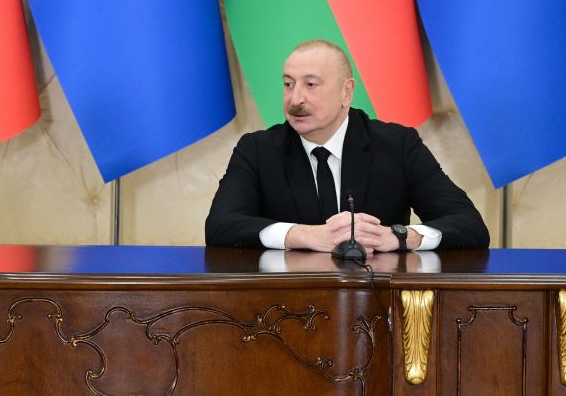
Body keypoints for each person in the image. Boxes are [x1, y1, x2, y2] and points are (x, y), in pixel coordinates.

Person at [206, 39, 488, 252]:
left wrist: (401, 236)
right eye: (288, 84)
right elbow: (220, 226)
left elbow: (469, 224)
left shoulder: (397, 145)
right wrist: (303, 235)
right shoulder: (258, 150)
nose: (295, 99)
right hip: (287, 300)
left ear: (346, 92)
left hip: (377, 298)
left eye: (311, 85)